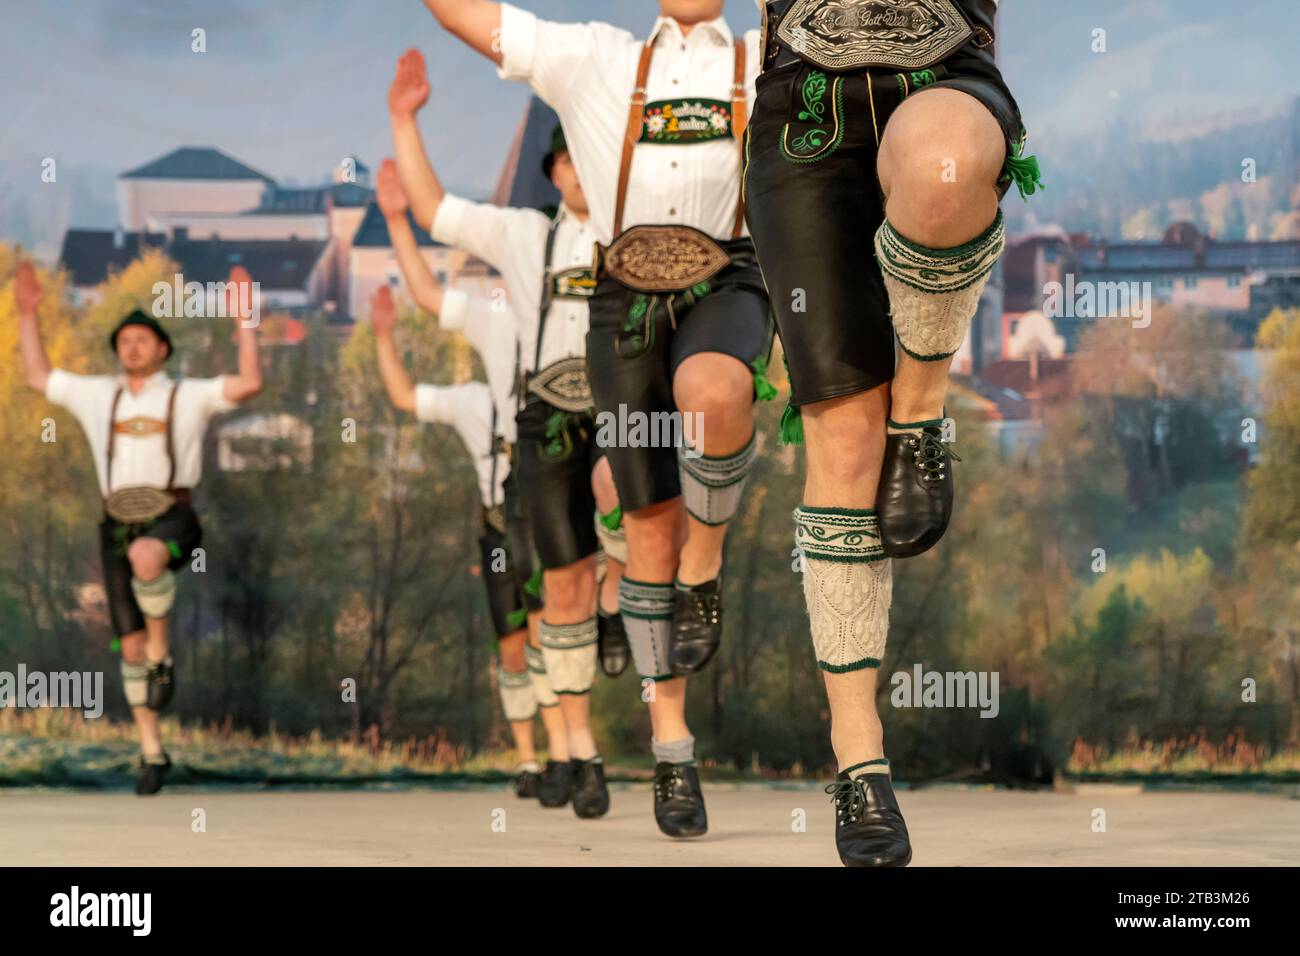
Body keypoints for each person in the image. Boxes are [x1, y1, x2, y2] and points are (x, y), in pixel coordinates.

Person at [419, 0, 775, 840]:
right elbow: (472, 21)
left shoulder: (770, 53)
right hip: (624, 301)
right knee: (648, 530)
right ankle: (671, 750)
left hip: (727, 278)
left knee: (717, 395)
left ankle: (707, 570)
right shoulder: (592, 58)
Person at [742, 0, 1043, 865]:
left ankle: (920, 409)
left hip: (941, 61)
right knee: (842, 442)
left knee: (946, 171)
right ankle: (860, 759)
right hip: (802, 98)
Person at [389, 49, 628, 818]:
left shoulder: (642, 238)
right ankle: (575, 752)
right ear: (556, 173)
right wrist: (403, 122)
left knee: (624, 490)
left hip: (622, 422)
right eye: (573, 159)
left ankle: (621, 589)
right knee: (555, 599)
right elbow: (438, 216)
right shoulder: (524, 243)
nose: (585, 172)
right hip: (545, 433)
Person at [15, 260, 263, 794]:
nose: (131, 347)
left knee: (147, 558)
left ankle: (163, 655)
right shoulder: (97, 396)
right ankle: (151, 752)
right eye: (124, 339)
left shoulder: (186, 394)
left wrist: (245, 320)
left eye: (142, 339)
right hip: (115, 523)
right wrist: (28, 315)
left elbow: (249, 382)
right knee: (126, 648)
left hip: (172, 515)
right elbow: (38, 376)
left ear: (163, 350)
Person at [368, 277, 547, 798]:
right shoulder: (473, 401)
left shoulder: (557, 391)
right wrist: (383, 334)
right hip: (496, 533)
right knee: (512, 648)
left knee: (549, 640)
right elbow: (405, 396)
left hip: (548, 526)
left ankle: (567, 754)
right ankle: (530, 760)